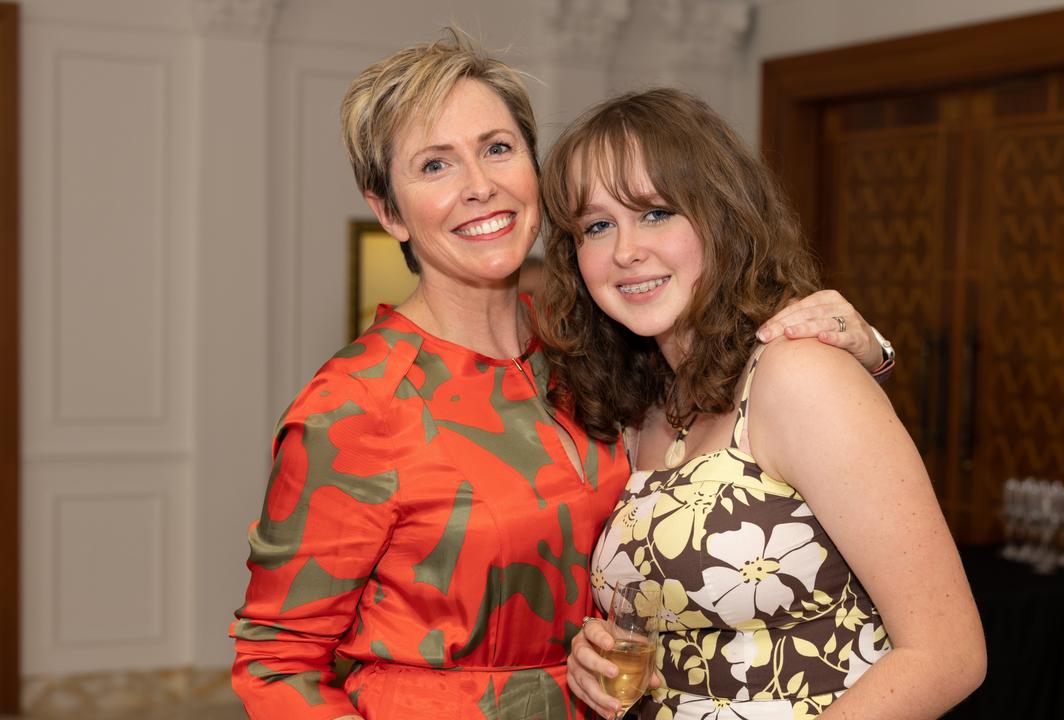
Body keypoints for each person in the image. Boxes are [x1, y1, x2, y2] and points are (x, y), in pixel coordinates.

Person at [229, 34, 891, 720]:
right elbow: (276, 663)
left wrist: (862, 348)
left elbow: (751, 413)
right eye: (435, 165)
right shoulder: (355, 407)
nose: (478, 184)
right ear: (389, 210)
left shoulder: (594, 345)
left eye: (496, 148)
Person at [542, 88, 986, 719]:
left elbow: (948, 654)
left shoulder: (796, 373)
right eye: (596, 226)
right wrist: (600, 656)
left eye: (657, 212)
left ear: (722, 216)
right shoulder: (643, 411)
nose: (624, 250)